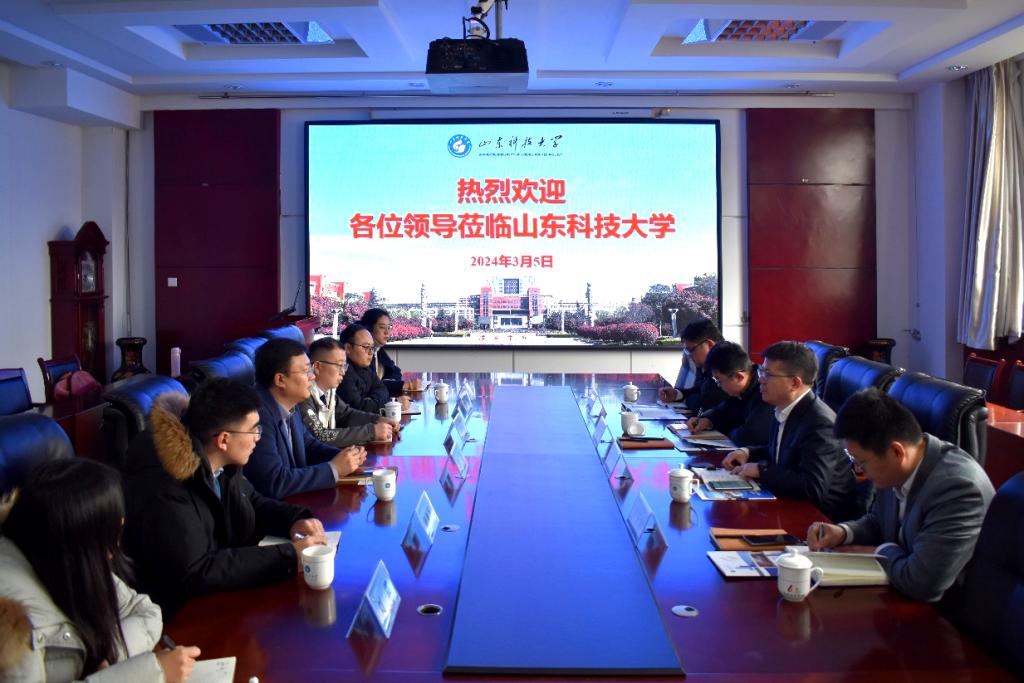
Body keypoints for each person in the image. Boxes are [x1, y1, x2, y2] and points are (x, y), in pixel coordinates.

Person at [123, 379, 331, 616]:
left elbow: (252, 501)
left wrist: (295, 519)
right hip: (179, 614)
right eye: (254, 429)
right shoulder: (164, 482)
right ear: (223, 440)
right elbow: (197, 570)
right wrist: (289, 556)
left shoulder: (220, 462)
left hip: (222, 591)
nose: (258, 437)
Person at [0, 459, 200, 682]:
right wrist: (153, 673)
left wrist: (106, 659)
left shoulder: (63, 557)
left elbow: (145, 611)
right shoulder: (13, 624)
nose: (115, 547)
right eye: (113, 531)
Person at [807, 389, 995, 603]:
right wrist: (843, 532)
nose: (859, 471)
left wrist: (880, 550)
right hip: (897, 592)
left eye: (861, 463)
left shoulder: (958, 489)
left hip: (943, 613)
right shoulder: (895, 468)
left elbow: (922, 583)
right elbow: (879, 521)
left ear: (897, 452)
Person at [722, 341, 858, 522]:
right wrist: (746, 452)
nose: (761, 379)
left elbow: (811, 488)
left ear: (794, 383)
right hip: (788, 503)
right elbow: (780, 452)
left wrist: (761, 470)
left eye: (768, 374)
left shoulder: (820, 424)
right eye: (762, 371)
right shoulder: (783, 407)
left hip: (819, 520)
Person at [244, 338, 367, 499]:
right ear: (280, 380)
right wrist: (334, 469)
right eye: (305, 371)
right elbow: (274, 481)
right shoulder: (256, 416)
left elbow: (309, 445)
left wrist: (345, 457)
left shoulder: (290, 403)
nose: (312, 376)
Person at [301, 336, 398, 447]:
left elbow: (347, 414)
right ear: (318, 367)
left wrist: (379, 419)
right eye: (339, 365)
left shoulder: (329, 393)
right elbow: (320, 436)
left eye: (344, 366)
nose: (343, 372)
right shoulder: (304, 397)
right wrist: (371, 432)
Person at [686, 341, 773, 448]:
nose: (718, 385)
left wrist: (724, 429)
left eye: (719, 380)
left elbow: (748, 437)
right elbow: (722, 411)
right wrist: (707, 420)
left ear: (739, 377)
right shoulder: (740, 391)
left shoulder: (766, 392)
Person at [338, 324, 410, 415]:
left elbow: (382, 388)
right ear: (348, 348)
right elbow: (359, 408)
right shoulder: (342, 373)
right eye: (366, 347)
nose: (371, 352)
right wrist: (392, 404)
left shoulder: (365, 367)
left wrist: (372, 400)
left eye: (372, 348)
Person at [658, 318, 728, 411]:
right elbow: (699, 388)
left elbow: (704, 407)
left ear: (709, 345)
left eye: (691, 350)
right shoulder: (708, 365)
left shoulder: (725, 367)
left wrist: (687, 400)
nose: (689, 356)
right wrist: (677, 394)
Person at [360, 308, 422, 396]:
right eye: (382, 327)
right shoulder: (361, 353)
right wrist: (402, 385)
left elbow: (396, 371)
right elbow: (371, 386)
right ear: (368, 328)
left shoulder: (378, 349)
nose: (387, 332)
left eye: (389, 327)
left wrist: (387, 382)